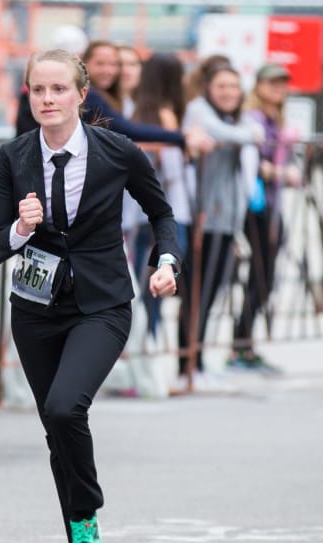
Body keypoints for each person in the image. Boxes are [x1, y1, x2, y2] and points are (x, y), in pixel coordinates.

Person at [0, 49, 181, 543]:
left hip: (102, 303)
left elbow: (161, 213)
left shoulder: (117, 151)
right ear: (28, 95)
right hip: (35, 309)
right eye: (38, 90)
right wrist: (22, 229)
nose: (47, 99)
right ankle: (82, 535)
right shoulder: (14, 157)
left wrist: (166, 262)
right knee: (56, 425)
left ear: (81, 95)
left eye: (58, 89)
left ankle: (86, 517)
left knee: (66, 406)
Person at [175, 61, 262, 389]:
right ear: (208, 88)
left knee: (211, 295)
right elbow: (233, 134)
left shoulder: (237, 118)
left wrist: (248, 134)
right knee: (196, 295)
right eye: (222, 86)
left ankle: (197, 362)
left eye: (234, 86)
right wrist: (248, 135)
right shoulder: (199, 110)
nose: (229, 93)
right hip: (202, 217)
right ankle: (186, 365)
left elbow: (254, 133)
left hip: (227, 219)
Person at [227, 63, 300, 371]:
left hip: (272, 204)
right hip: (254, 206)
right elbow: (255, 163)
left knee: (265, 277)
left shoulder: (277, 120)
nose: (278, 88)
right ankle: (240, 345)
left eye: (282, 83)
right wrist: (281, 173)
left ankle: (244, 343)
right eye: (272, 82)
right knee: (260, 275)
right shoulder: (252, 118)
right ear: (258, 85)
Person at [131, 52, 191, 339]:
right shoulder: (166, 115)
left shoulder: (136, 112)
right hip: (164, 209)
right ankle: (149, 341)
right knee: (158, 281)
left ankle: (144, 342)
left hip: (138, 211)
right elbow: (173, 169)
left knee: (142, 282)